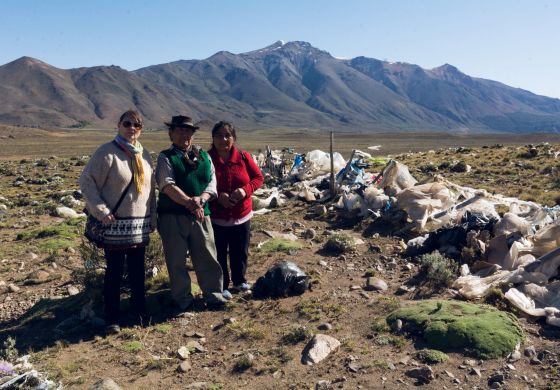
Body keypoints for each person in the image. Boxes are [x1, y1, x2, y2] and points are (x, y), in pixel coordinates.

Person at [79, 110, 156, 334]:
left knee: (137, 271)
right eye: (127, 123)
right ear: (118, 125)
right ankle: (112, 317)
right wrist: (101, 210)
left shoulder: (145, 155)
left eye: (137, 125)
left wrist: (153, 216)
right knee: (113, 272)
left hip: (139, 225)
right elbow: (86, 180)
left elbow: (151, 191)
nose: (132, 128)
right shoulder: (107, 152)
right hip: (115, 225)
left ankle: (139, 313)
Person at [156, 115, 228, 312]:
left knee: (207, 256)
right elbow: (166, 184)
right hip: (172, 217)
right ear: (171, 133)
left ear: (193, 134)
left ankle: (213, 294)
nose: (183, 134)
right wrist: (189, 202)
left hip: (201, 214)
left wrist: (201, 200)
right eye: (178, 130)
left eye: (187, 130)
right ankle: (182, 299)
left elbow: (212, 182)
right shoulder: (165, 157)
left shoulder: (204, 156)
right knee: (176, 259)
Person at [208, 121, 264, 297]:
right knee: (219, 251)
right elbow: (201, 182)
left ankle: (240, 280)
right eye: (219, 135)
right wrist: (218, 195)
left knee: (240, 250)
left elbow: (258, 178)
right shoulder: (206, 159)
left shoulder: (243, 157)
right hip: (217, 216)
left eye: (227, 135)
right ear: (213, 138)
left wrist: (244, 191)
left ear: (233, 138)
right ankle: (222, 284)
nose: (223, 139)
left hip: (242, 215)